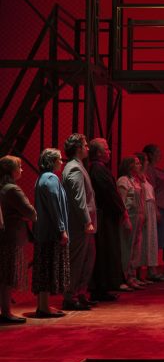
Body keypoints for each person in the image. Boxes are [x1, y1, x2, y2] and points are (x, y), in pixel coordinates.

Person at [89, 138, 130, 300]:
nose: (109, 151)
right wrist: (122, 212)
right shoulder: (98, 170)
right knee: (106, 251)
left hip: (107, 216)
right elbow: (110, 195)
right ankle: (101, 288)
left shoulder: (99, 169)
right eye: (106, 149)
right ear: (99, 152)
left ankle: (103, 288)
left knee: (107, 251)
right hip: (104, 218)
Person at [31, 148, 69, 318]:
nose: (62, 162)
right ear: (53, 161)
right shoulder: (52, 179)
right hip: (50, 231)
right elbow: (55, 207)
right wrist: (62, 229)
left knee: (43, 268)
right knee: (48, 268)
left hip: (42, 230)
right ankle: (44, 308)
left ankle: (43, 305)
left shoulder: (41, 178)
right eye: (59, 159)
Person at [61, 133, 97, 311]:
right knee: (77, 260)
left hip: (84, 224)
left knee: (87, 259)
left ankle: (80, 293)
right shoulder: (74, 169)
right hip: (80, 224)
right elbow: (78, 198)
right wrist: (86, 221)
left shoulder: (77, 166)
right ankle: (70, 296)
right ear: (78, 148)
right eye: (85, 145)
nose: (87, 148)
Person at [0, 156, 37, 323]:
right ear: (12, 171)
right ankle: (6, 312)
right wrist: (23, 215)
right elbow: (31, 213)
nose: (22, 170)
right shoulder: (12, 190)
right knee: (8, 275)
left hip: (5, 235)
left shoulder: (2, 188)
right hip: (12, 236)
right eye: (19, 167)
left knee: (5, 274)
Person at [142, 144, 164, 275]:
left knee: (161, 239)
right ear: (150, 154)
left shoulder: (158, 170)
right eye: (157, 152)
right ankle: (150, 270)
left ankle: (153, 269)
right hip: (158, 208)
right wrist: (156, 210)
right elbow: (151, 191)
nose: (160, 155)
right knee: (153, 240)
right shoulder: (150, 171)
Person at [117, 156, 145, 289]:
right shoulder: (123, 180)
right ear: (130, 166)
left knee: (135, 248)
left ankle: (132, 275)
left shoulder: (135, 180)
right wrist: (125, 218)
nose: (139, 166)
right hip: (129, 216)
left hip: (138, 216)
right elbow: (122, 202)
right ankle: (124, 276)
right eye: (137, 163)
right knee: (126, 247)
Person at [135, 152, 164, 282]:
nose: (147, 162)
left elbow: (152, 194)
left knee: (151, 240)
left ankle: (151, 270)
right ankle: (139, 273)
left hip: (151, 207)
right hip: (144, 207)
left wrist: (156, 210)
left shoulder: (146, 176)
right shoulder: (137, 177)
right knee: (143, 240)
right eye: (145, 160)